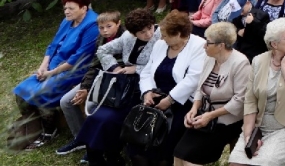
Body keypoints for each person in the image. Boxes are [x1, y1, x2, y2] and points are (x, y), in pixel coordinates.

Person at [12, 0, 99, 149]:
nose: (66, 11)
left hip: (74, 70)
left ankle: (49, 132)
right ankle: (35, 124)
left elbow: (79, 57)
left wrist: (51, 74)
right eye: (65, 8)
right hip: (53, 66)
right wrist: (43, 66)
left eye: (71, 8)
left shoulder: (92, 25)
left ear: (84, 8)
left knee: (42, 93)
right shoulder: (68, 20)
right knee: (21, 91)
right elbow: (53, 45)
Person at [72, 10, 155, 164]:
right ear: (133, 32)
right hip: (124, 87)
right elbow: (102, 50)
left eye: (150, 28)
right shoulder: (127, 37)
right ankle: (97, 156)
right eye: (142, 32)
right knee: (96, 116)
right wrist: (114, 68)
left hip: (145, 89)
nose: (149, 34)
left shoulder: (160, 39)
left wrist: (135, 69)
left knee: (110, 119)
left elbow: (159, 66)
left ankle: (112, 154)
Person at [229, 18, 285, 166]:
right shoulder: (258, 61)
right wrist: (249, 134)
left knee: (266, 162)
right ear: (274, 44)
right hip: (260, 127)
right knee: (236, 163)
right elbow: (250, 100)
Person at [130, 11, 207, 166]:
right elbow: (147, 71)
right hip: (157, 97)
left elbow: (193, 79)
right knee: (139, 136)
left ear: (178, 34)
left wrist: (170, 99)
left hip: (183, 101)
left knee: (165, 138)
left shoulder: (198, 45)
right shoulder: (160, 44)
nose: (160, 38)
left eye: (165, 35)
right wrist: (147, 92)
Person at [174, 22, 252, 166]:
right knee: (178, 154)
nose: (204, 46)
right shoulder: (210, 57)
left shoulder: (240, 63)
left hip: (226, 120)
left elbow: (239, 100)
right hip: (204, 115)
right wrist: (194, 109)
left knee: (191, 160)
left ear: (220, 46)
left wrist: (210, 116)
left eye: (208, 43)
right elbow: (200, 87)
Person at [54, 9, 122, 157]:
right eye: (101, 27)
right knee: (66, 101)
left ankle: (97, 145)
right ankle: (81, 139)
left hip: (116, 82)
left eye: (109, 26)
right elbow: (94, 66)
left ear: (118, 24)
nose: (105, 31)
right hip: (97, 78)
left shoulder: (126, 38)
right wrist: (84, 88)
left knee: (95, 107)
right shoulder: (101, 40)